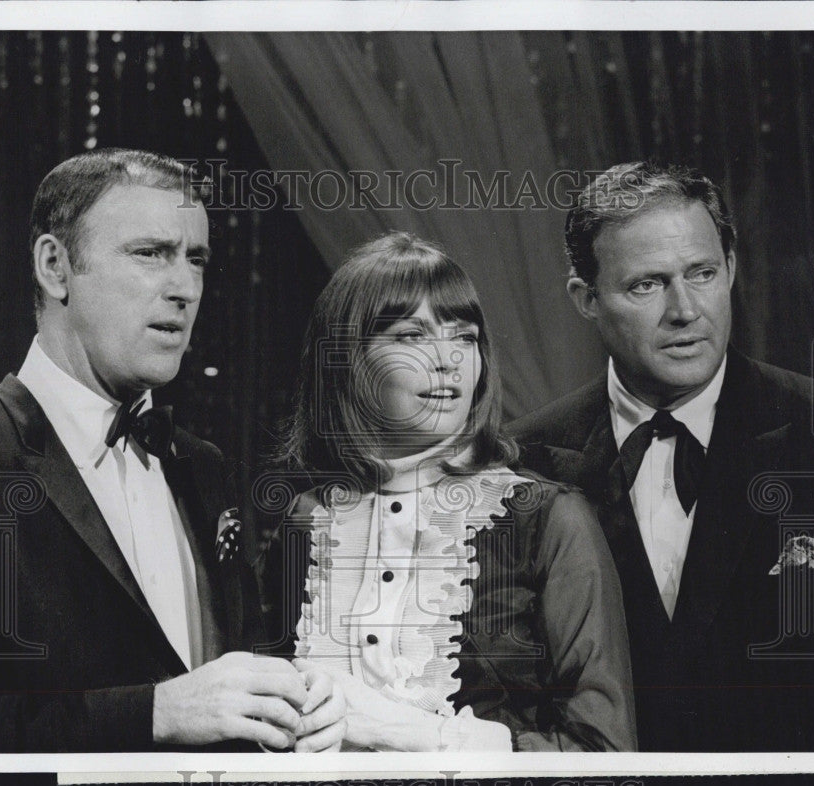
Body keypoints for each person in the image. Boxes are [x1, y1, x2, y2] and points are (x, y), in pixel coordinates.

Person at [0, 149, 344, 752]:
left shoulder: (202, 466)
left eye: (196, 260)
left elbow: (227, 677)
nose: (184, 288)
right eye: (150, 254)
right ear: (55, 266)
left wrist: (296, 697)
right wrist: (155, 713)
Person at [510, 162, 814, 751]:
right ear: (586, 298)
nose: (685, 310)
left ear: (731, 267)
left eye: (702, 273)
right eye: (646, 284)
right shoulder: (524, 463)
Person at [257, 231, 636, 752]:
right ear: (348, 360)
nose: (447, 359)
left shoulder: (547, 518)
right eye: (411, 336)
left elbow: (604, 753)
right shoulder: (306, 523)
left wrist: (412, 733)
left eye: (463, 336)